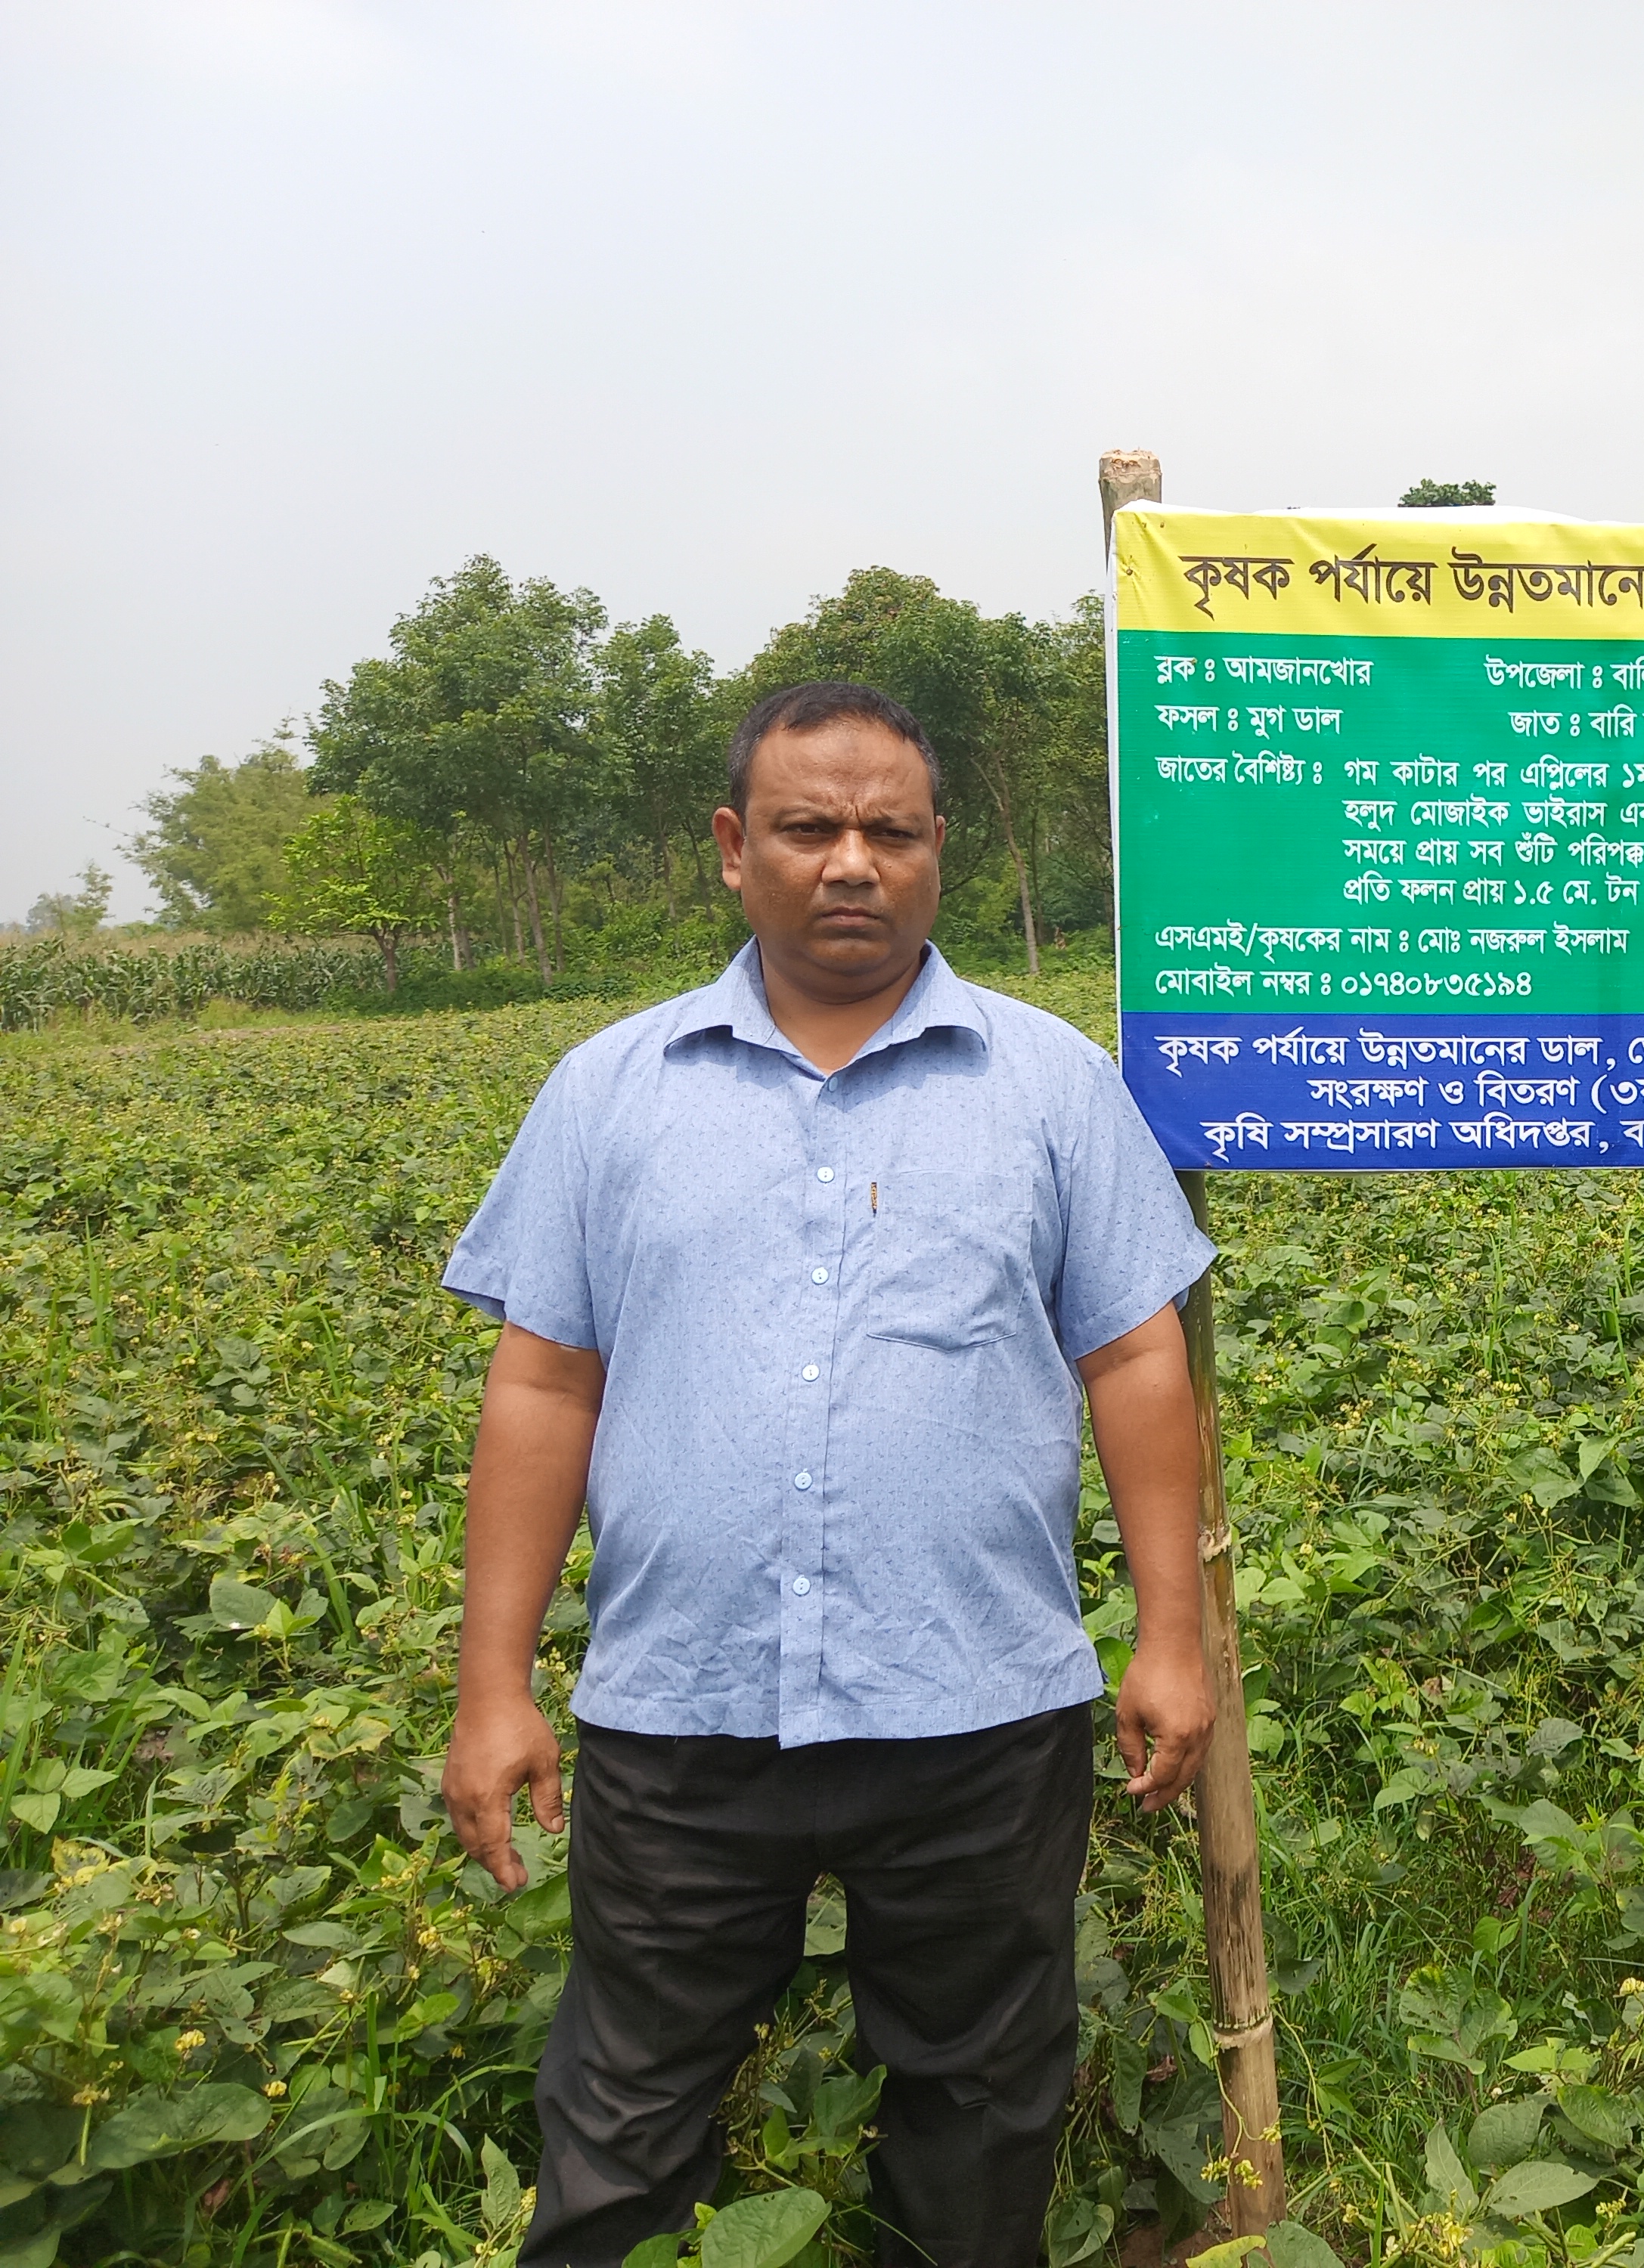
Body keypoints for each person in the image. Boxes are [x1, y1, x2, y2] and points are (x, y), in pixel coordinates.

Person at [438, 681, 1216, 2268]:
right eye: (808, 828)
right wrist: (492, 1685)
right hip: (684, 1702)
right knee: (625, 2111)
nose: (850, 862)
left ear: (938, 849)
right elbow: (543, 1383)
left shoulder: (1050, 1081)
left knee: (981, 2105)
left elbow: (1137, 1358)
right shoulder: (611, 1089)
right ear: (736, 848)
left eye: (889, 831)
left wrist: (1171, 1636)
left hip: (976, 1700)